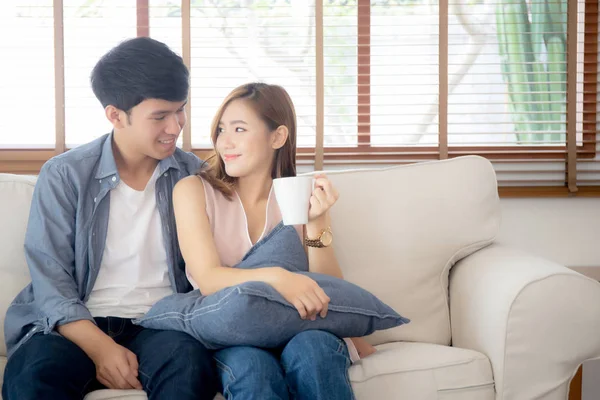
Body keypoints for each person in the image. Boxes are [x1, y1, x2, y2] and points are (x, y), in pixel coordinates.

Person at [2, 37, 217, 400]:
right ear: (116, 115)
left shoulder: (194, 175)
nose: (175, 126)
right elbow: (49, 277)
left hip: (161, 324)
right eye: (159, 116)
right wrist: (102, 348)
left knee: (191, 368)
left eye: (180, 110)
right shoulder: (65, 175)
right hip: (73, 325)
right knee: (31, 377)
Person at [173, 82, 377, 400]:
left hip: (299, 328)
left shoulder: (298, 195)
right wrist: (279, 278)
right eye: (221, 130)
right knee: (252, 369)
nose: (225, 142)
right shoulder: (193, 190)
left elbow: (327, 290)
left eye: (239, 129)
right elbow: (209, 279)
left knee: (314, 350)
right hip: (235, 332)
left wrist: (316, 223)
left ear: (277, 137)